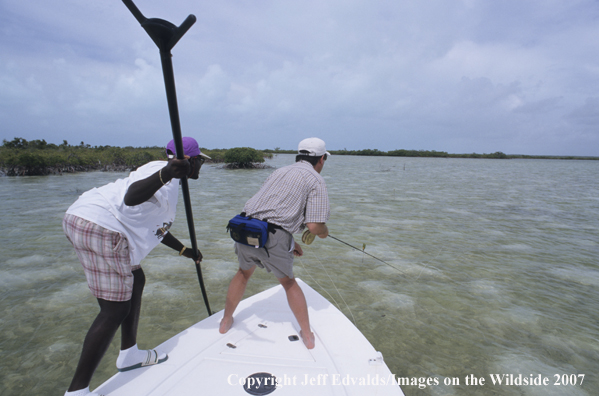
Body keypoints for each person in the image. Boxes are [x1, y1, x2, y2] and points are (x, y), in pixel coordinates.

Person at [62, 137, 209, 396]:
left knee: (136, 278)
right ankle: (77, 391)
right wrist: (166, 173)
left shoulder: (159, 172)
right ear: (192, 161)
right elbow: (131, 197)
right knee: (115, 310)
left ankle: (129, 354)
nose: (200, 168)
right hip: (102, 227)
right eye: (200, 162)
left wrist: (185, 251)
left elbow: (156, 228)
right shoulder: (163, 176)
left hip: (84, 217)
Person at [219, 137, 331, 349]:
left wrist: (291, 241)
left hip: (244, 228)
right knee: (288, 283)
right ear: (322, 159)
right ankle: (307, 335)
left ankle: (225, 321)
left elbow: (270, 212)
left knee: (243, 273)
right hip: (273, 236)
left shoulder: (279, 171)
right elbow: (314, 227)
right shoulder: (315, 180)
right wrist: (324, 233)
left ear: (299, 155)